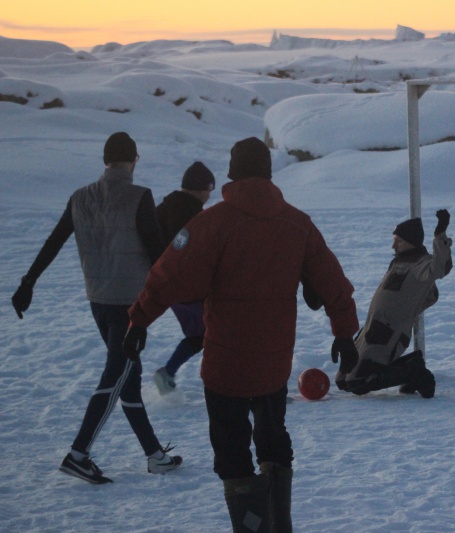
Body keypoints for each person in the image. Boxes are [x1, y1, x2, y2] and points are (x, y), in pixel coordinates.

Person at [123, 137, 359, 532]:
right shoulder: (297, 223)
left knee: (233, 454)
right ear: (268, 172)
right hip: (273, 363)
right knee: (273, 441)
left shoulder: (210, 223)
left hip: (225, 367)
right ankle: (278, 524)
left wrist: (138, 319)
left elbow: (168, 274)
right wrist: (345, 333)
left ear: (231, 174)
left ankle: (252, 526)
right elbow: (333, 281)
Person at [10, 132, 183, 484]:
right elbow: (158, 253)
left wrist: (28, 283)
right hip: (130, 307)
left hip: (98, 303)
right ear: (134, 160)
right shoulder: (140, 197)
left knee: (128, 380)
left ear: (105, 160)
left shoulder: (80, 197)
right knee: (116, 376)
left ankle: (154, 456)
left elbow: (55, 241)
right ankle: (78, 454)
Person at [334, 210, 453, 399]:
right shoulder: (399, 263)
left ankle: (415, 373)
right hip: (371, 330)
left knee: (357, 382)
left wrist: (440, 234)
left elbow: (439, 267)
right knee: (343, 379)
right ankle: (411, 366)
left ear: (411, 242)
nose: (393, 245)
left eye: (399, 241)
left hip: (389, 334)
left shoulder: (420, 264)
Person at [152, 161, 216, 395]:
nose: (209, 196)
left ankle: (167, 372)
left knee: (200, 334)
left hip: (167, 287)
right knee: (223, 331)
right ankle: (252, 386)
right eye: (209, 191)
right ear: (201, 189)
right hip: (192, 289)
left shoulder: (161, 209)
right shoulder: (195, 216)